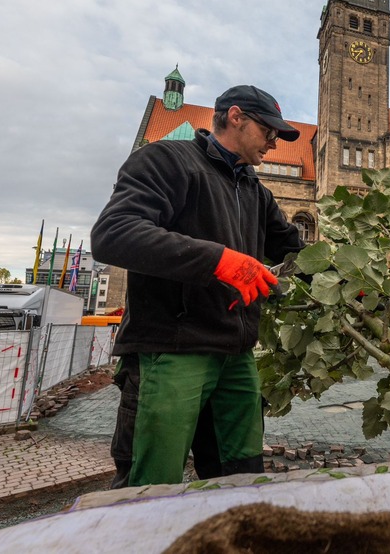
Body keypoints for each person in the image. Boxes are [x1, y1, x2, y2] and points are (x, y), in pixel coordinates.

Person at [91, 85, 304, 486]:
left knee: (240, 477)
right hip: (172, 351)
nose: (275, 142)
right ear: (236, 117)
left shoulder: (255, 191)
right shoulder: (167, 160)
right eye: (269, 131)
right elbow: (113, 234)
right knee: (151, 483)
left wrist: (352, 282)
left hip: (236, 356)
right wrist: (218, 261)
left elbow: (298, 253)